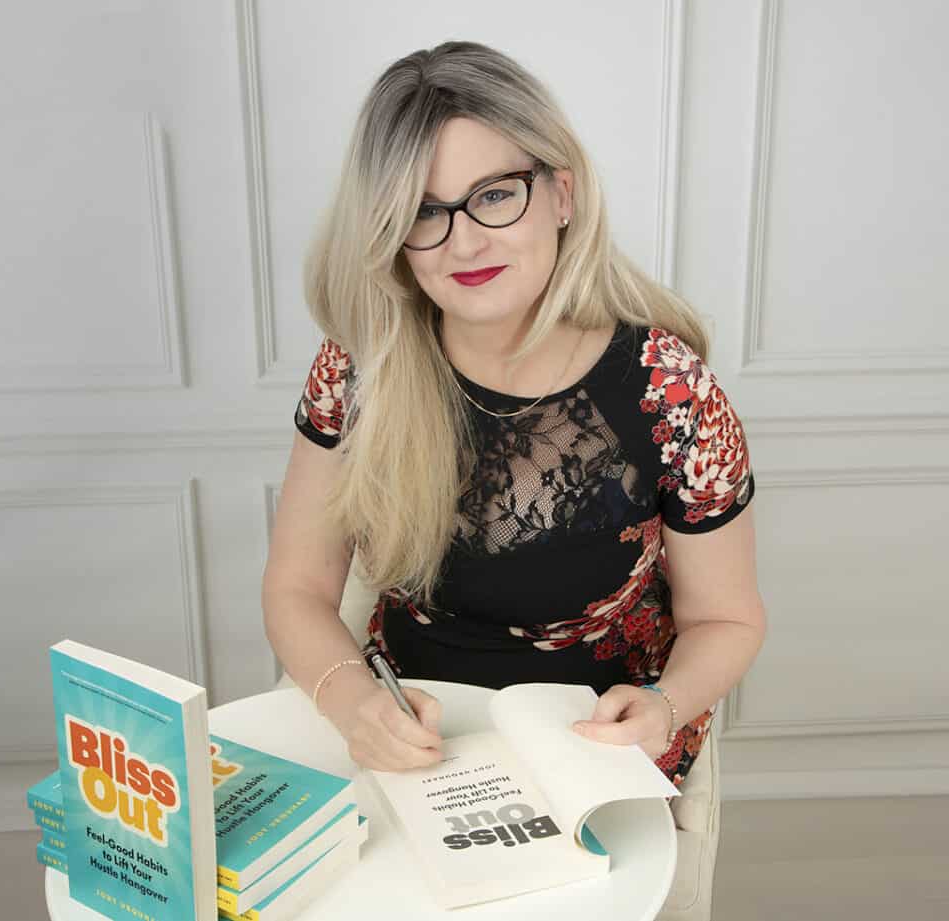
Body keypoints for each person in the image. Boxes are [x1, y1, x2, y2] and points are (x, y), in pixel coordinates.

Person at [262, 40, 766, 787]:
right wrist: (356, 704)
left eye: (495, 195)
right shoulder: (362, 365)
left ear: (562, 195)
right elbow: (296, 587)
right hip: (413, 729)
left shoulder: (672, 391)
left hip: (592, 743)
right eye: (424, 211)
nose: (464, 242)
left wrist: (664, 706)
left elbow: (729, 619)